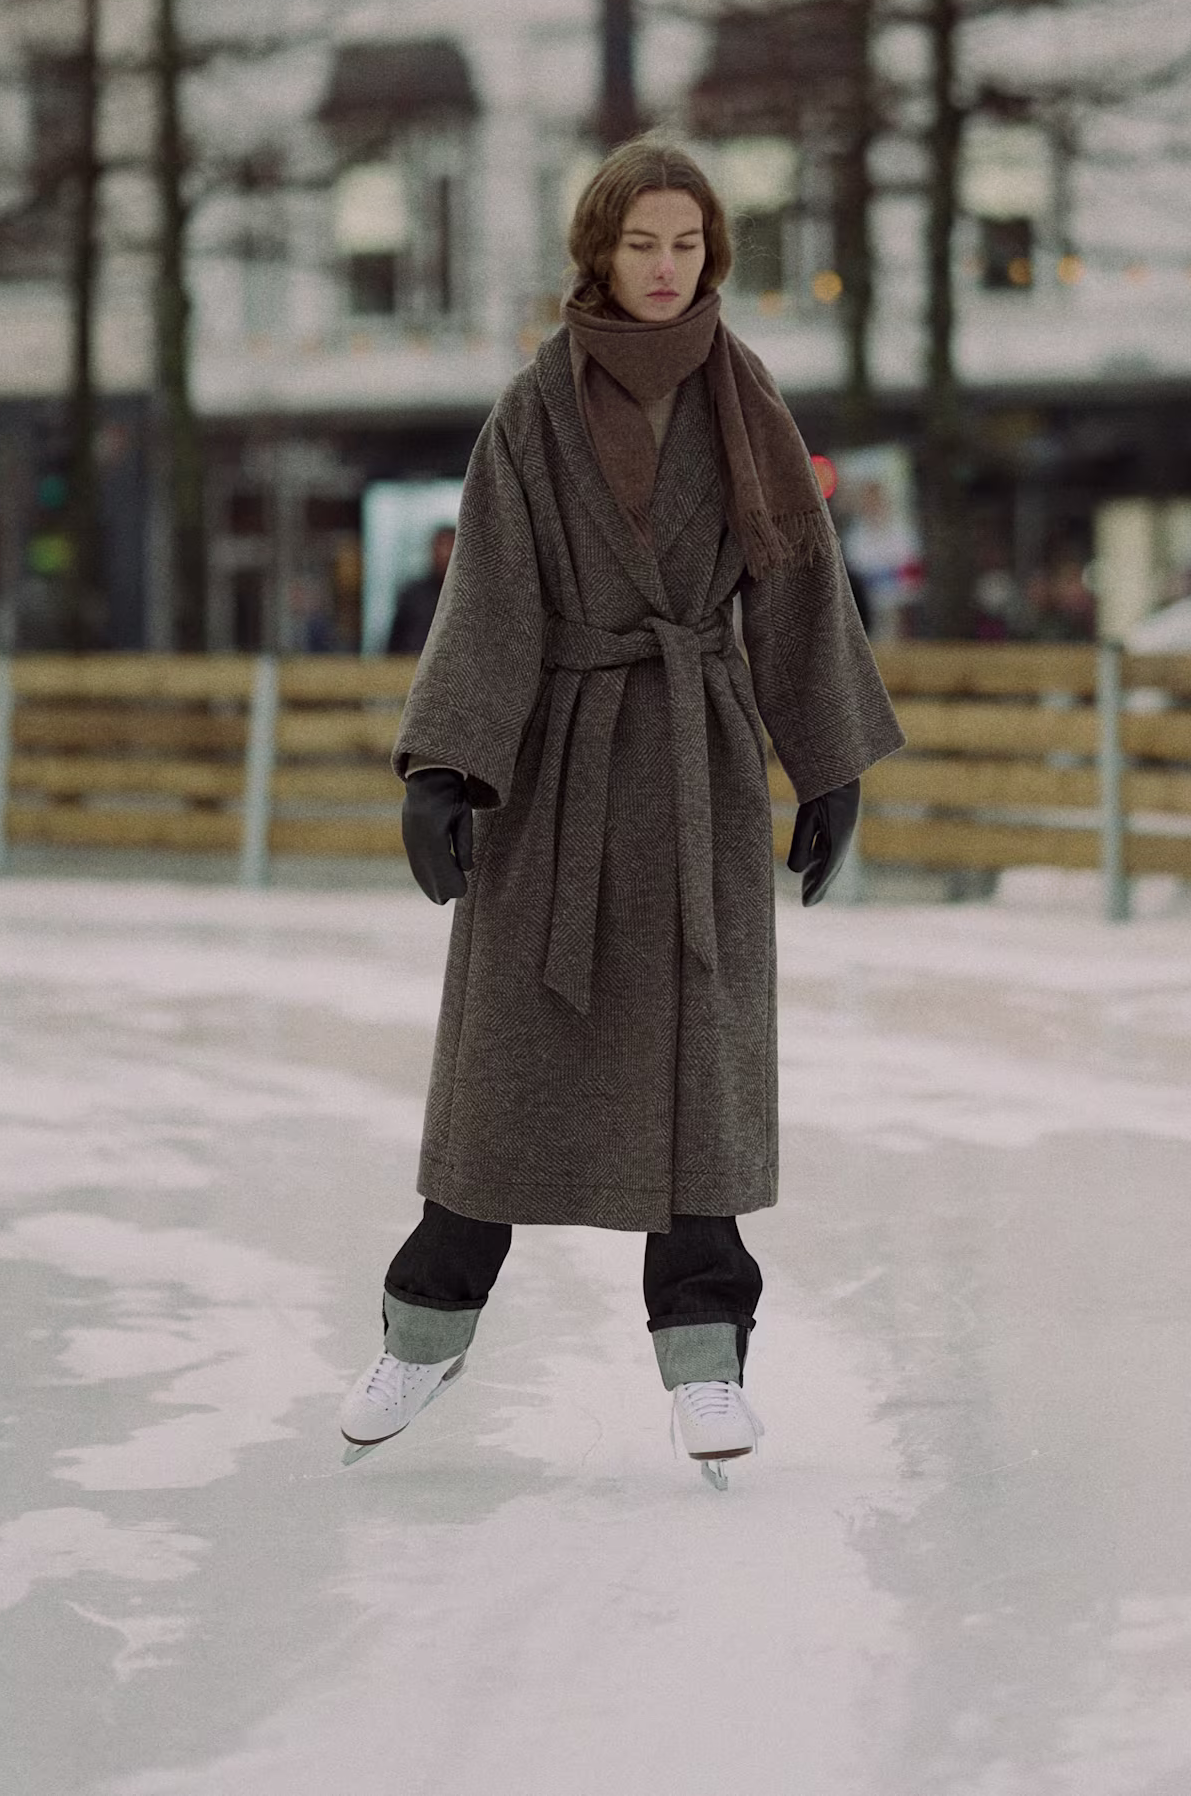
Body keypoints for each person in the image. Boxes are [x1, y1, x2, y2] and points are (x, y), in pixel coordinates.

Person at [339, 137, 905, 1481]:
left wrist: (827, 761)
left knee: (697, 1076)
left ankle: (706, 1360)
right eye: (641, 243)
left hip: (698, 769)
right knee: (502, 1074)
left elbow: (795, 581)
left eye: (686, 245)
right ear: (599, 249)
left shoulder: (745, 399)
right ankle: (424, 1330)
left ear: (713, 256)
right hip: (559, 771)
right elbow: (491, 593)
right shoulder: (535, 409)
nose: (664, 268)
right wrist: (443, 767)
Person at [386, 525, 455, 654]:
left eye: (449, 547)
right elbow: (394, 644)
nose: (444, 553)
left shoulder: (468, 596)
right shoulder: (412, 594)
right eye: (440, 546)